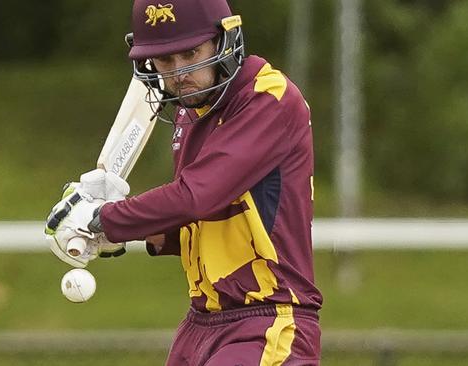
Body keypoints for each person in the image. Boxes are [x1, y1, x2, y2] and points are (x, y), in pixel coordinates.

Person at [45, 0, 322, 364]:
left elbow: (195, 197)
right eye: (164, 60)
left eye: (191, 53)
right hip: (200, 325)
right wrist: (117, 233)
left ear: (224, 40)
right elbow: (205, 219)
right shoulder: (191, 113)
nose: (179, 73)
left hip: (267, 322)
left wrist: (104, 217)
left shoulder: (268, 98)